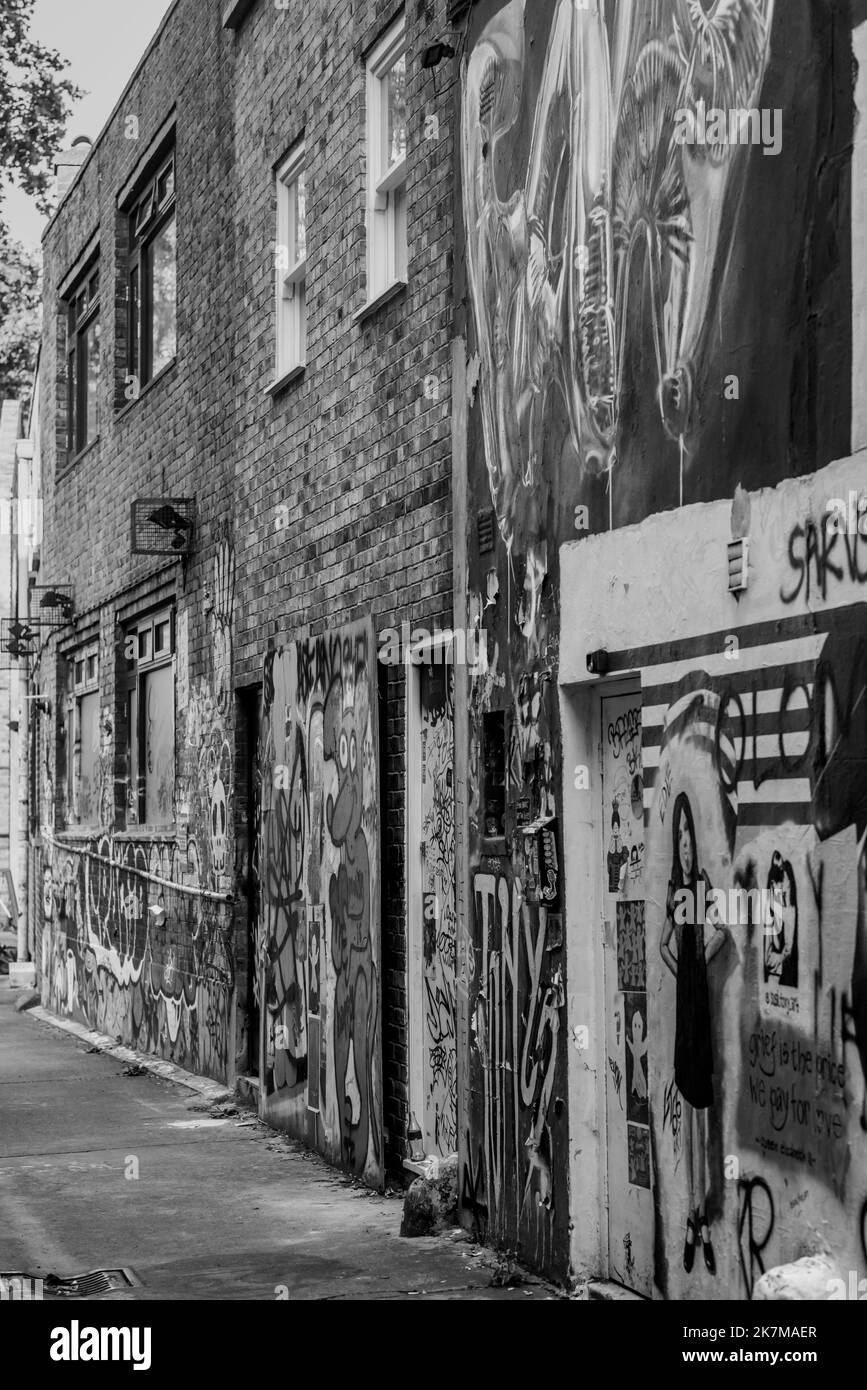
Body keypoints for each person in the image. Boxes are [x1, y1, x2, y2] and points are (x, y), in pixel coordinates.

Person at [660, 793, 725, 1276]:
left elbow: (721, 929)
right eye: (678, 839)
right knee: (687, 1104)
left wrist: (697, 965)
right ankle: (692, 1215)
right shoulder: (675, 893)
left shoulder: (699, 889)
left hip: (699, 1007)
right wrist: (682, 969)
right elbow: (664, 944)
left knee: (702, 1108)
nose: (685, 847)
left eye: (689, 839)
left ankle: (696, 1216)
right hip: (686, 1010)